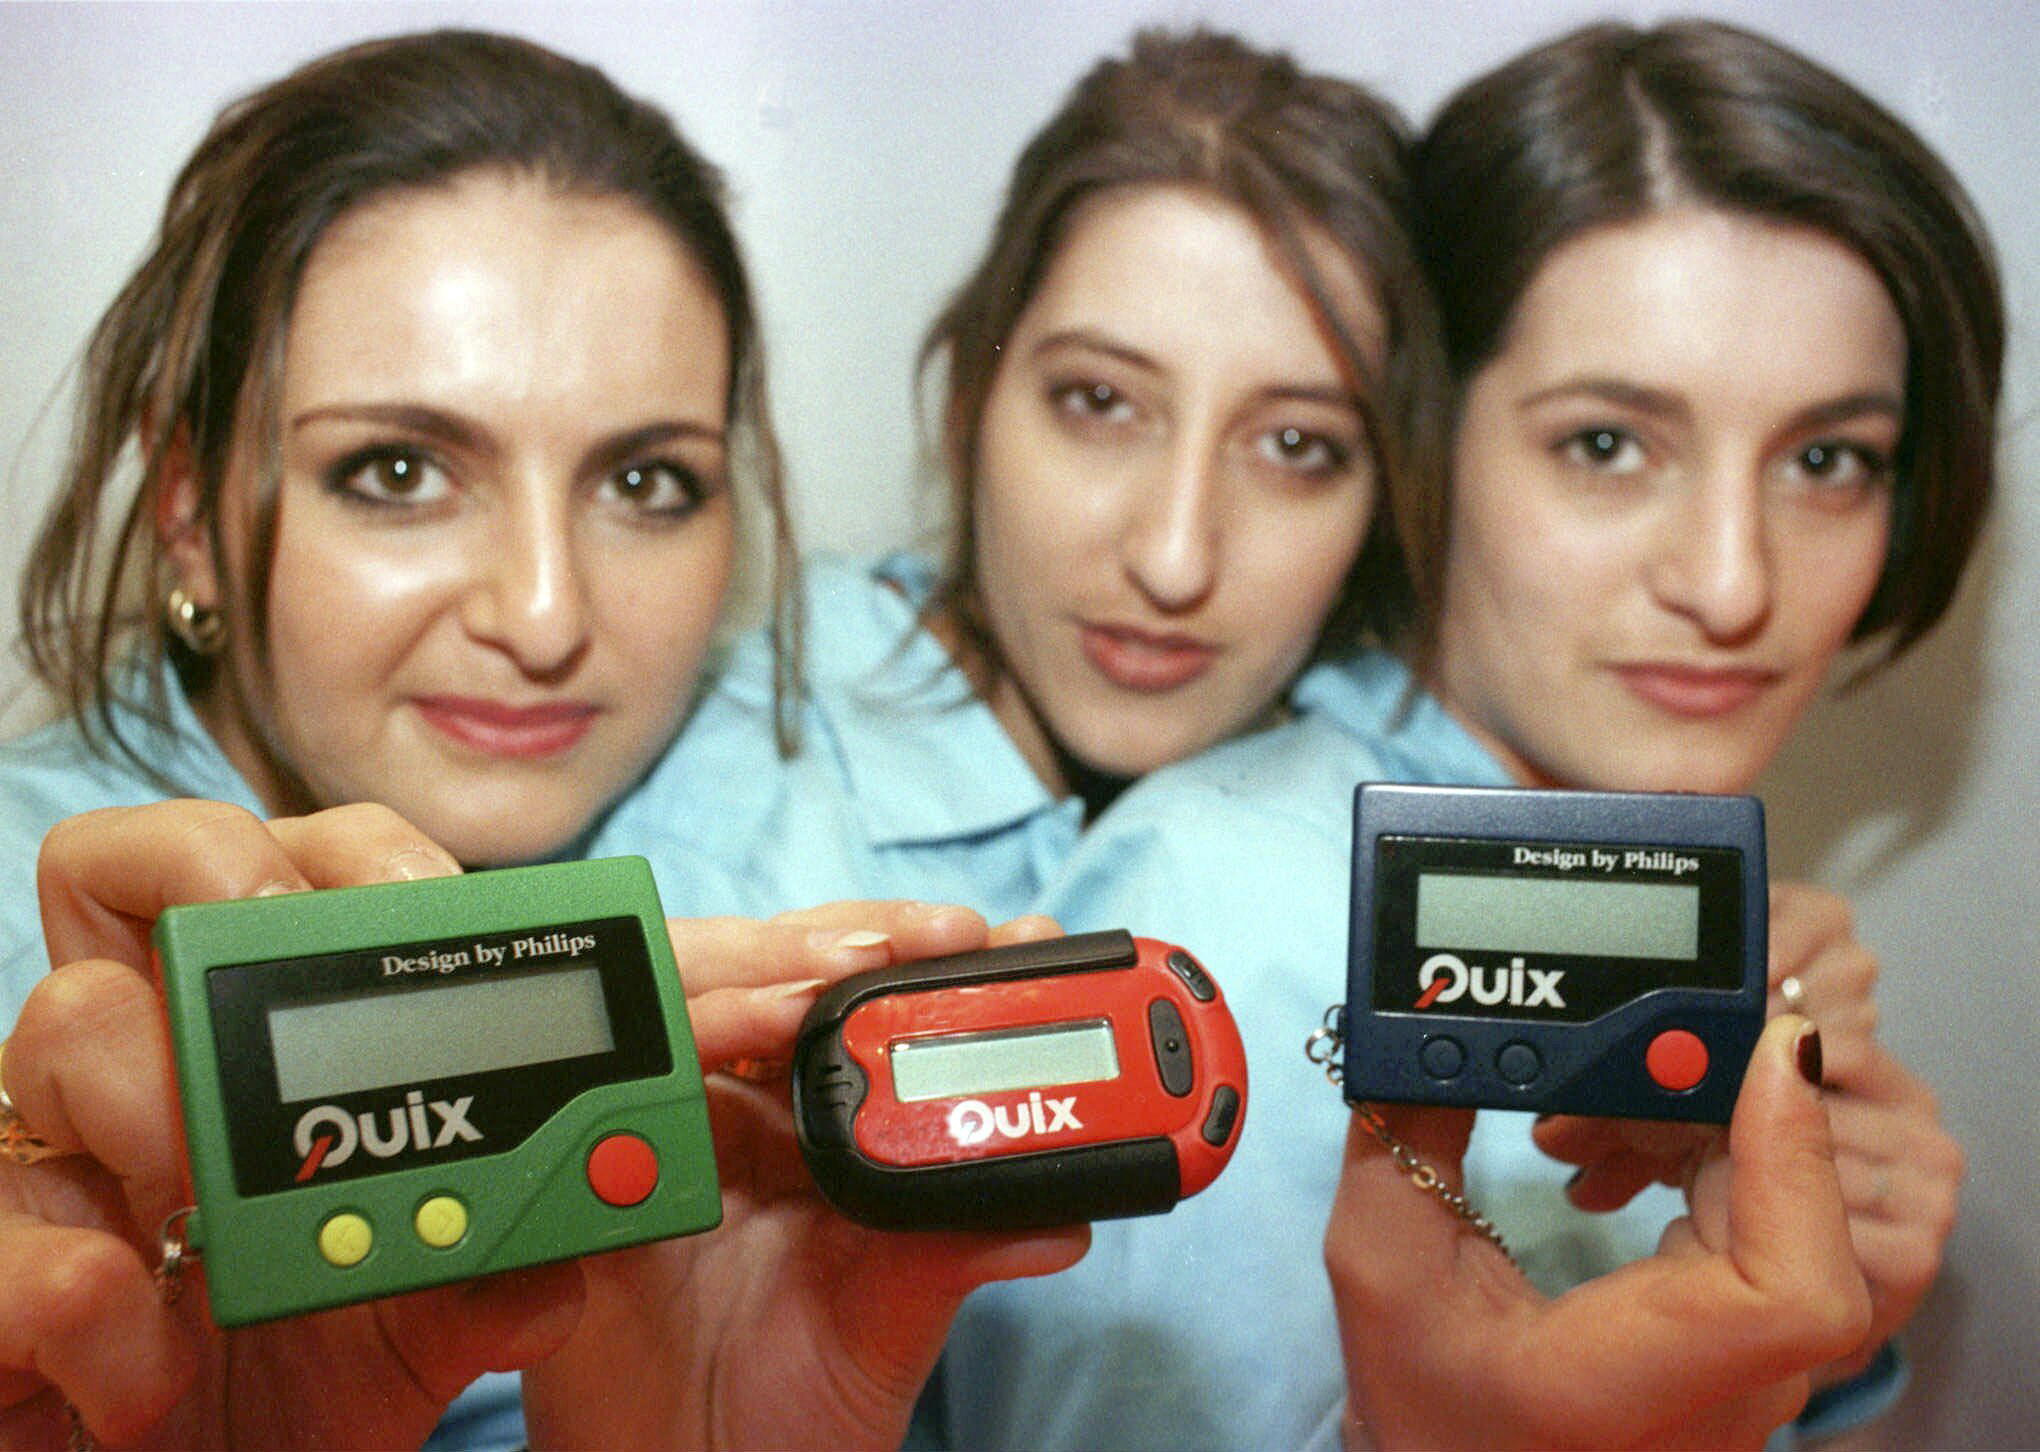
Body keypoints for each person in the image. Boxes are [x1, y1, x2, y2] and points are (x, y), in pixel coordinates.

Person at [916, 17, 1993, 1450]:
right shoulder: (1235, 914)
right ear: (1422, 443)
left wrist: (1819, 1333)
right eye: (1607, 444)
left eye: (1826, 459)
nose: (1733, 583)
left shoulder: (1655, 886)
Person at [0, 30, 1082, 1448]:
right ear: (192, 510)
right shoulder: (44, 991)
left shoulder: (836, 875)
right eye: (397, 472)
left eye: (645, 480)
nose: (546, 611)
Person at [590, 25, 1443, 922]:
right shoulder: (734, 857)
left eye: (1295, 447)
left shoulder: (1387, 792)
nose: (1174, 560)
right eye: (1101, 402)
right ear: (971, 400)